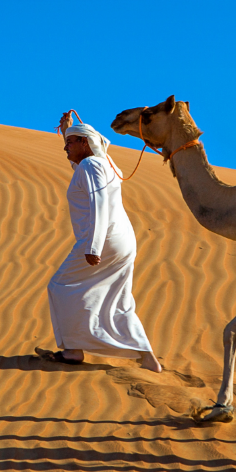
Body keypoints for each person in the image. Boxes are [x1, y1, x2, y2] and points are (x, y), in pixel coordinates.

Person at [37, 111, 163, 372]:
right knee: (119, 297)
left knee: (60, 286)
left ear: (84, 143)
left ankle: (72, 350)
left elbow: (99, 203)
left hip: (104, 240)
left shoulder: (90, 165)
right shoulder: (102, 164)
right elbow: (86, 174)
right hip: (123, 241)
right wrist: (67, 130)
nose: (65, 147)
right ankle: (146, 355)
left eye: (70, 142)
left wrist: (93, 246)